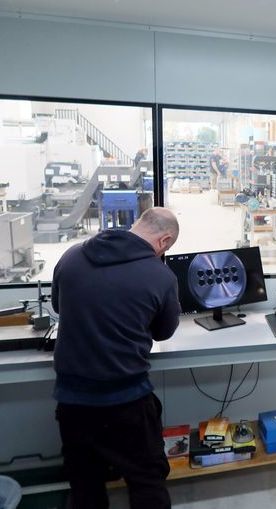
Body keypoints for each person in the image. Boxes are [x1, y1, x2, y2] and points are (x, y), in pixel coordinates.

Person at [51, 207, 181, 509]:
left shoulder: (71, 256)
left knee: (85, 486)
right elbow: (163, 333)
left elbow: (60, 306)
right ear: (163, 241)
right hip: (126, 402)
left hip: (72, 402)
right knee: (147, 481)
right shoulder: (160, 275)